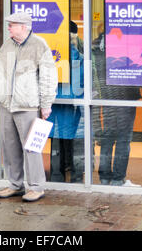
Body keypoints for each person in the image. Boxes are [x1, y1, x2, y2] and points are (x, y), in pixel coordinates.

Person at [0, 12, 58, 202]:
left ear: (24, 27)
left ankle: (36, 187)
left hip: (27, 105)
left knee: (31, 148)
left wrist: (46, 104)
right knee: (10, 147)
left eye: (11, 25)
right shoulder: (7, 45)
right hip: (6, 104)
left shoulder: (39, 45)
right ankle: (15, 185)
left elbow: (48, 77)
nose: (8, 28)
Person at [92, 31, 142, 187]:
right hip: (125, 98)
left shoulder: (97, 49)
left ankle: (105, 177)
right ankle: (118, 179)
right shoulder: (124, 47)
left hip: (107, 99)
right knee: (123, 140)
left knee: (107, 139)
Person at [48, 21, 84, 183]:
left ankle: (57, 175)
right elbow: (84, 81)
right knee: (72, 139)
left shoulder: (51, 55)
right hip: (72, 104)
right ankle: (76, 176)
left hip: (54, 102)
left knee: (56, 139)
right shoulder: (79, 57)